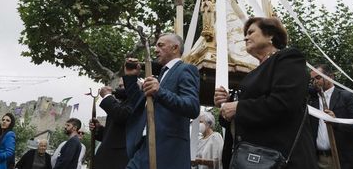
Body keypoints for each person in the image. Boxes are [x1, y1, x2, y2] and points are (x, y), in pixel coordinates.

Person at [214, 17, 318, 169]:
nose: (245, 37)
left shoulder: (288, 58)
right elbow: (243, 116)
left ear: (270, 35)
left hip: (280, 158)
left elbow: (284, 102)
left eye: (251, 32)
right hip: (251, 158)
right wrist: (227, 104)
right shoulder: (251, 75)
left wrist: (238, 107)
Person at [123, 33, 200, 169]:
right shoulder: (159, 77)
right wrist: (130, 78)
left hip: (167, 151)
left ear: (175, 48)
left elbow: (192, 107)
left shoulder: (185, 69)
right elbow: (138, 104)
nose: (156, 50)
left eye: (160, 45)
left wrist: (160, 92)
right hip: (143, 148)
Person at [308, 64, 353, 169]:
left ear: (330, 76)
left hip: (345, 161)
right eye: (312, 79)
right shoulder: (312, 102)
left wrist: (337, 122)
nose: (315, 82)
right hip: (319, 160)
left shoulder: (347, 96)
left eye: (318, 77)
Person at [89, 79, 132, 169]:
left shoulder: (135, 101)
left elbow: (121, 116)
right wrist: (99, 129)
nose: (117, 88)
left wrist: (107, 96)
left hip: (118, 161)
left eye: (121, 86)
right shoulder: (121, 104)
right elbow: (115, 134)